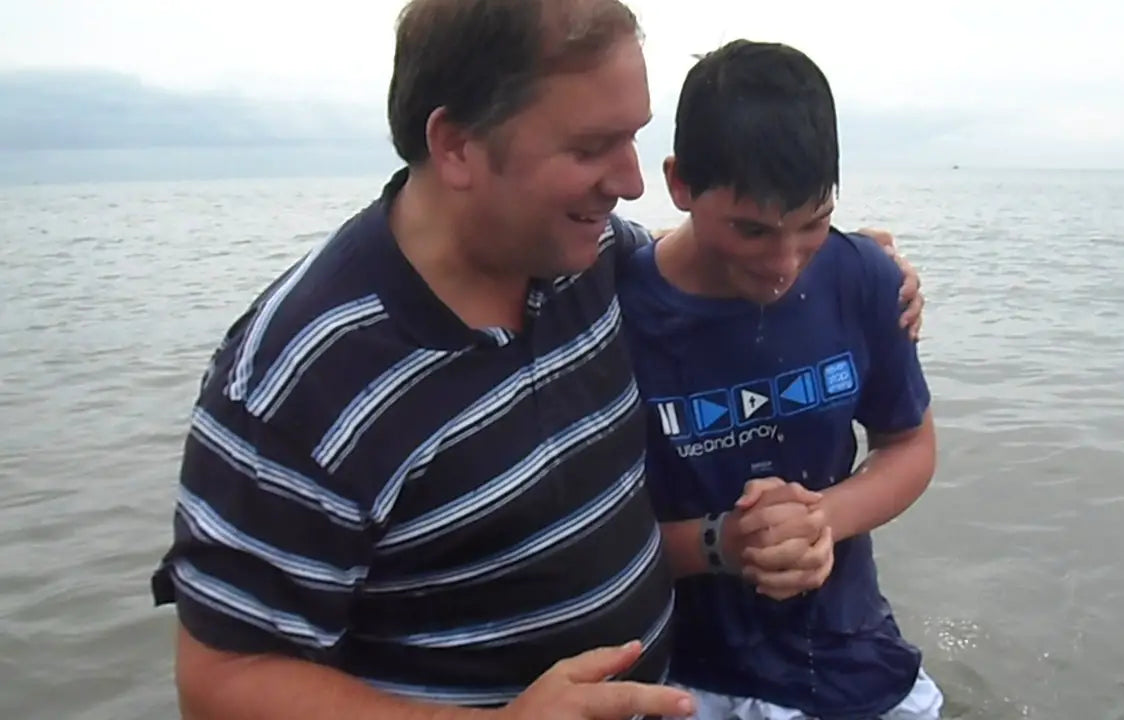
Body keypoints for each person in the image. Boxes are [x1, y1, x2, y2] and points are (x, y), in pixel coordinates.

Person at [148, 2, 925, 719]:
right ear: (455, 144)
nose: (628, 181)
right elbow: (221, 682)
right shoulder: (302, 375)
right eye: (591, 147)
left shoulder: (586, 263)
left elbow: (693, 271)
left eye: (633, 137)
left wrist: (852, 269)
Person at [615, 40, 942, 719]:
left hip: (857, 659)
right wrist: (722, 543)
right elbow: (590, 542)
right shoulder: (615, 314)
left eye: (813, 223)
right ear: (680, 184)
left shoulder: (862, 277)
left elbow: (909, 445)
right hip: (690, 676)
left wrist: (824, 518)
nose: (785, 263)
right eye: (752, 231)